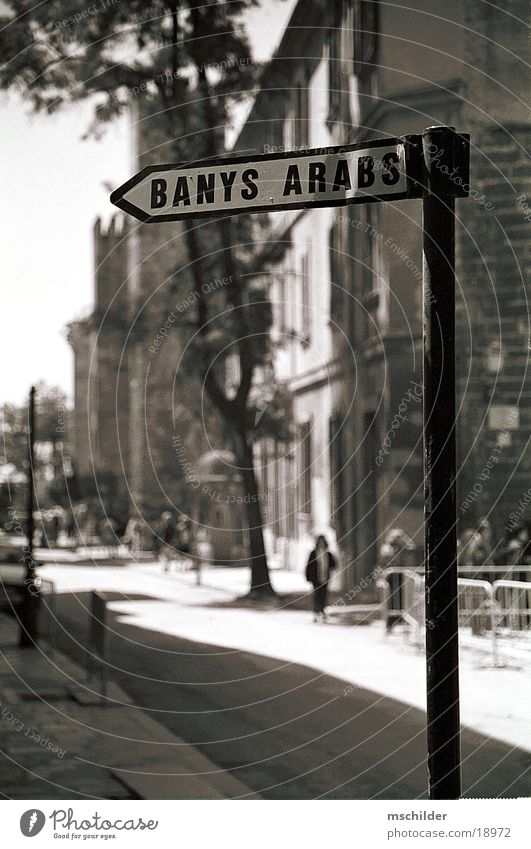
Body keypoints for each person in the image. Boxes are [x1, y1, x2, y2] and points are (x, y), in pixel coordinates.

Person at [305, 534, 337, 622]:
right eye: (320, 542)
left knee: (324, 595)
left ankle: (322, 611)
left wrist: (329, 566)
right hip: (316, 578)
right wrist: (308, 577)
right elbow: (309, 566)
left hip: (325, 578)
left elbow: (334, 565)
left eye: (323, 542)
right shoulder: (313, 553)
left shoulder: (328, 553)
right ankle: (316, 613)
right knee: (316, 595)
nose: (321, 544)